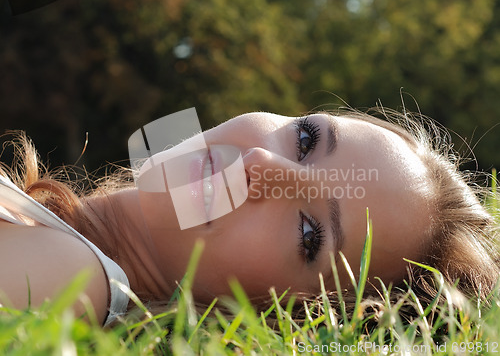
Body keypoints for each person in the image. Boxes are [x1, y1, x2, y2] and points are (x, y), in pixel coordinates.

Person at [0, 108, 498, 326]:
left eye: (310, 233)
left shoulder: (75, 276)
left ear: (282, 310)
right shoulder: (51, 229)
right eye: (306, 141)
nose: (261, 166)